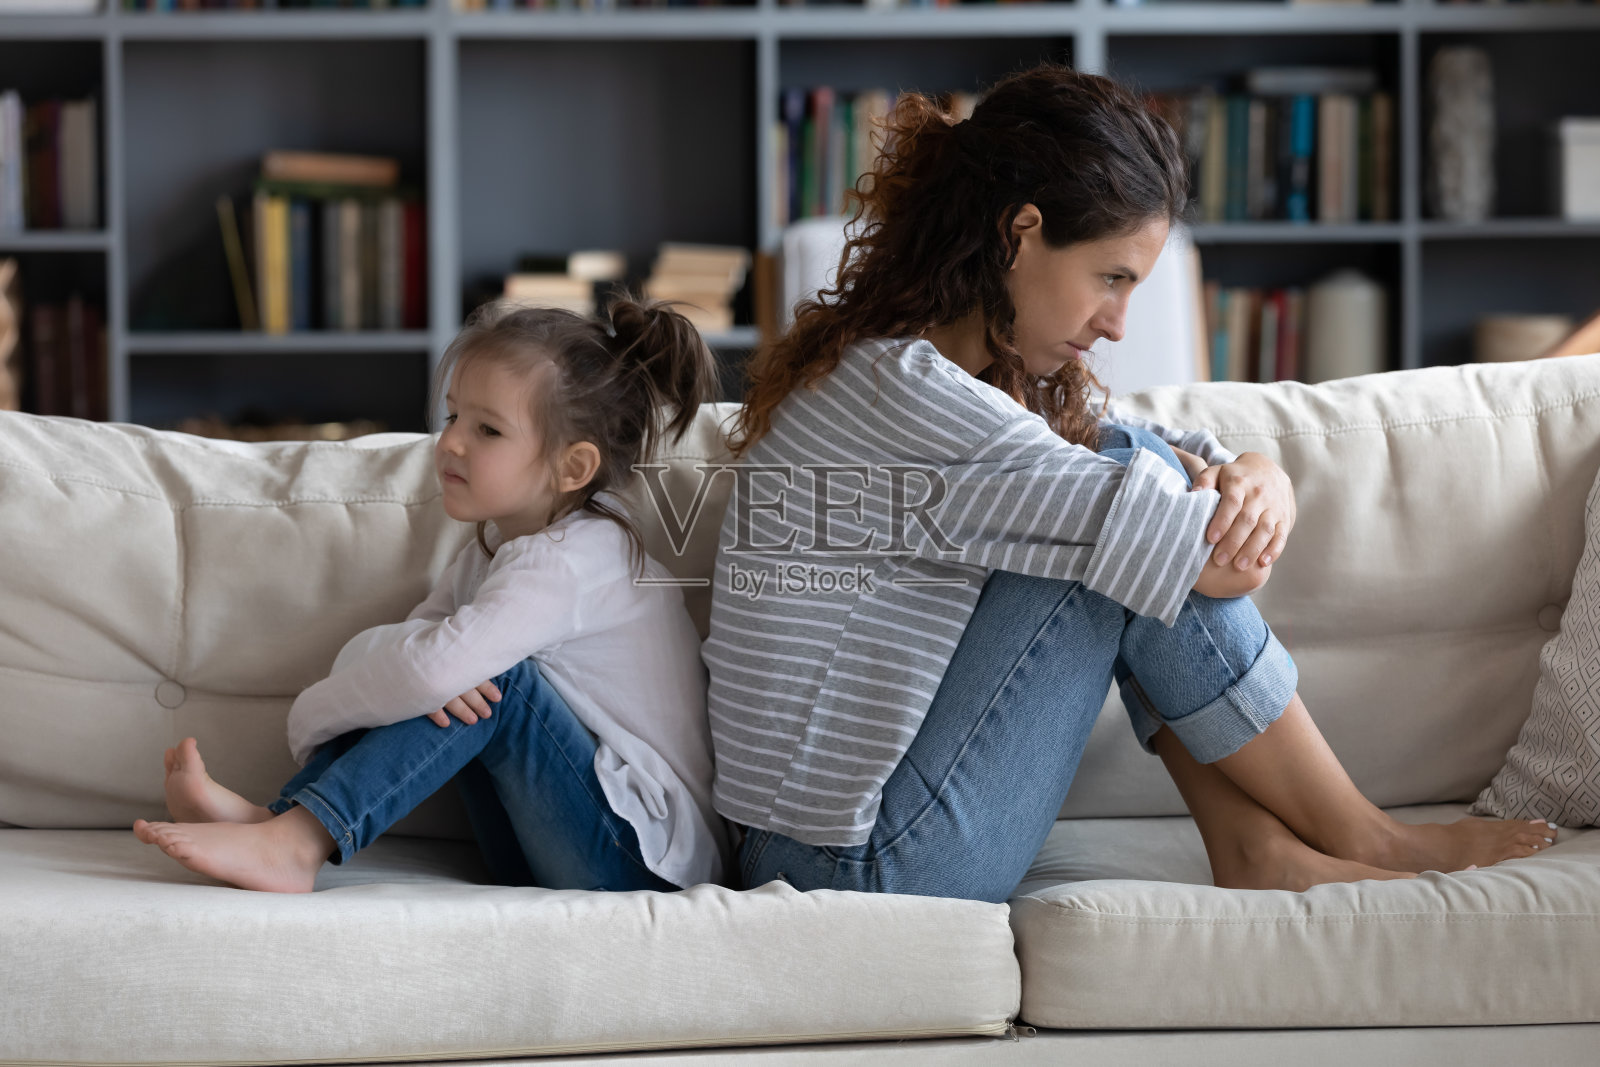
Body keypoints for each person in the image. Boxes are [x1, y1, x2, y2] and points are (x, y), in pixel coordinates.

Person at [708, 64, 1557, 904]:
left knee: (1127, 498)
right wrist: (1232, 501)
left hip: (821, 844)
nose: (1117, 322)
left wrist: (1257, 472)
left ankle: (1256, 846)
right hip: (853, 866)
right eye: (1111, 278)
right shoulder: (915, 397)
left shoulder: (909, 372)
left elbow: (1129, 448)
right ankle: (1363, 834)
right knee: (1130, 517)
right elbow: (1212, 557)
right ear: (1021, 232)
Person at [133, 295, 731, 894]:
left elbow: (420, 670)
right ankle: (283, 821)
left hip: (640, 860)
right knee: (445, 676)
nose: (450, 443)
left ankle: (297, 842)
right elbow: (402, 663)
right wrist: (411, 673)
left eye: (487, 429)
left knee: (495, 684)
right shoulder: (492, 549)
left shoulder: (578, 559)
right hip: (546, 844)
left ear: (572, 468)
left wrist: (314, 714)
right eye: (452, 418)